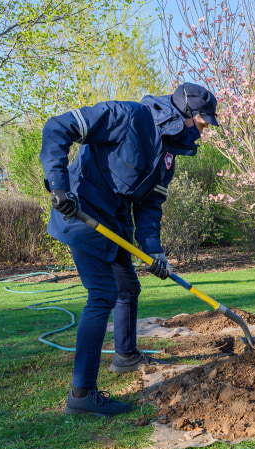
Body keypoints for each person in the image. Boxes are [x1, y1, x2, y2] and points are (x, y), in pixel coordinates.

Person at [40, 82, 219, 416]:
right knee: (103, 294)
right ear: (185, 114)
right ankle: (82, 395)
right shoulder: (126, 115)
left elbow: (149, 208)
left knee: (128, 288)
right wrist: (60, 186)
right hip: (82, 213)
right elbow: (57, 127)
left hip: (115, 224)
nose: (204, 130)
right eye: (203, 123)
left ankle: (125, 356)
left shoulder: (167, 157)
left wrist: (155, 251)